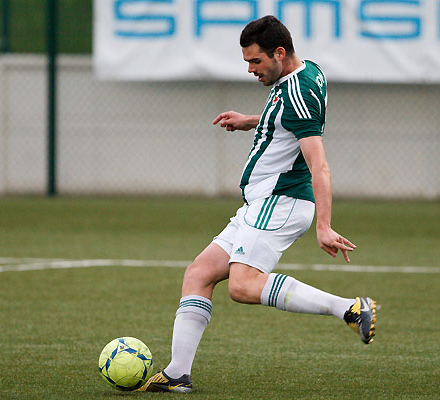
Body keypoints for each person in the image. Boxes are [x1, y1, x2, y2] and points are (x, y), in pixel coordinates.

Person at [138, 15, 376, 393]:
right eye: (247, 62)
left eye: (256, 61)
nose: (251, 70)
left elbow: (320, 165)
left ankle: (348, 307)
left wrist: (324, 225)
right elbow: (286, 121)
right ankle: (177, 374)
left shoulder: (297, 95)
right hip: (262, 203)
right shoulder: (305, 71)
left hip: (279, 201)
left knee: (243, 286)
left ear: (279, 53)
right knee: (199, 273)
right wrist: (253, 121)